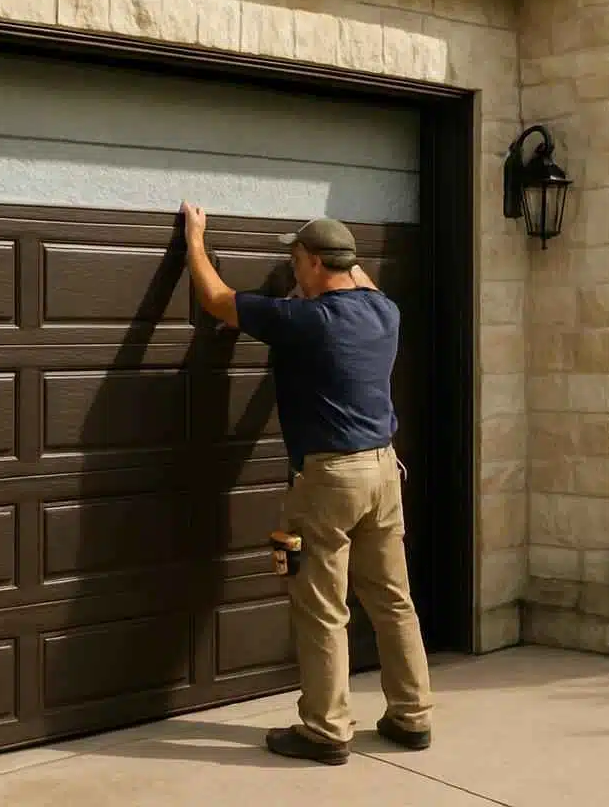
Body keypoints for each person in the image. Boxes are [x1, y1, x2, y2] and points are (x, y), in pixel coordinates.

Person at [179, 202, 433, 766]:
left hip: (329, 482)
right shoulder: (383, 311)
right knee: (393, 599)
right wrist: (312, 276)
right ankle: (412, 716)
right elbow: (354, 278)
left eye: (297, 261)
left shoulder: (304, 321)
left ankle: (325, 730)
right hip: (383, 473)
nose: (292, 271)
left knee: (322, 606)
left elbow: (215, 298)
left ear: (316, 263)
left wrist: (196, 238)